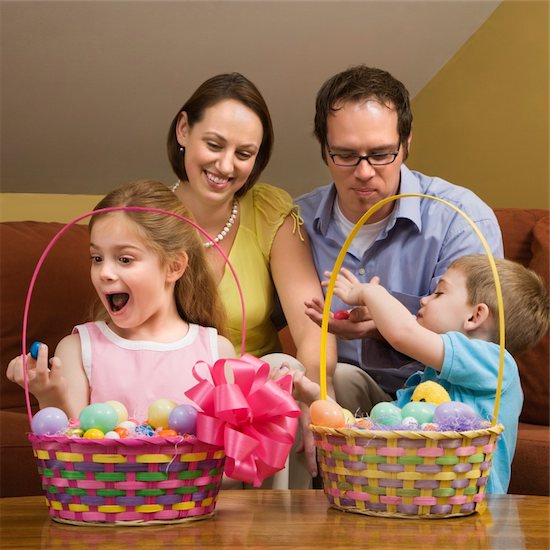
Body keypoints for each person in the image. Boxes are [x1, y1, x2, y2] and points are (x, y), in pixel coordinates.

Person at [296, 65, 504, 415]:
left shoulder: (459, 218)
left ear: (406, 143)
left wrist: (383, 329)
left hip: (437, 405)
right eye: (345, 155)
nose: (363, 172)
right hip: (341, 394)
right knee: (306, 379)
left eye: (380, 154)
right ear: (323, 148)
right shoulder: (296, 222)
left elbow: (478, 349)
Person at [166, 73, 337, 485]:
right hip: (178, 393)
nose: (226, 166)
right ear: (184, 129)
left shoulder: (267, 210)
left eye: (244, 153)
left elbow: (313, 326)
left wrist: (320, 403)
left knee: (284, 368)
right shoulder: (147, 217)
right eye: (214, 144)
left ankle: (283, 532)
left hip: (260, 400)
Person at [294, 255, 549, 493]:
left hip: (471, 508)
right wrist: (318, 398)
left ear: (475, 315)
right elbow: (371, 430)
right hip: (418, 501)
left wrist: (370, 293)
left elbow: (403, 334)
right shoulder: (427, 382)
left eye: (439, 293)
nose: (424, 300)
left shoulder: (497, 364)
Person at [6, 180, 236, 421]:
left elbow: (233, 444)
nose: (104, 272)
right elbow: (67, 452)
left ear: (174, 266)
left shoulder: (216, 351)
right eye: (96, 258)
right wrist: (50, 396)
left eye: (125, 259)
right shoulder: (77, 350)